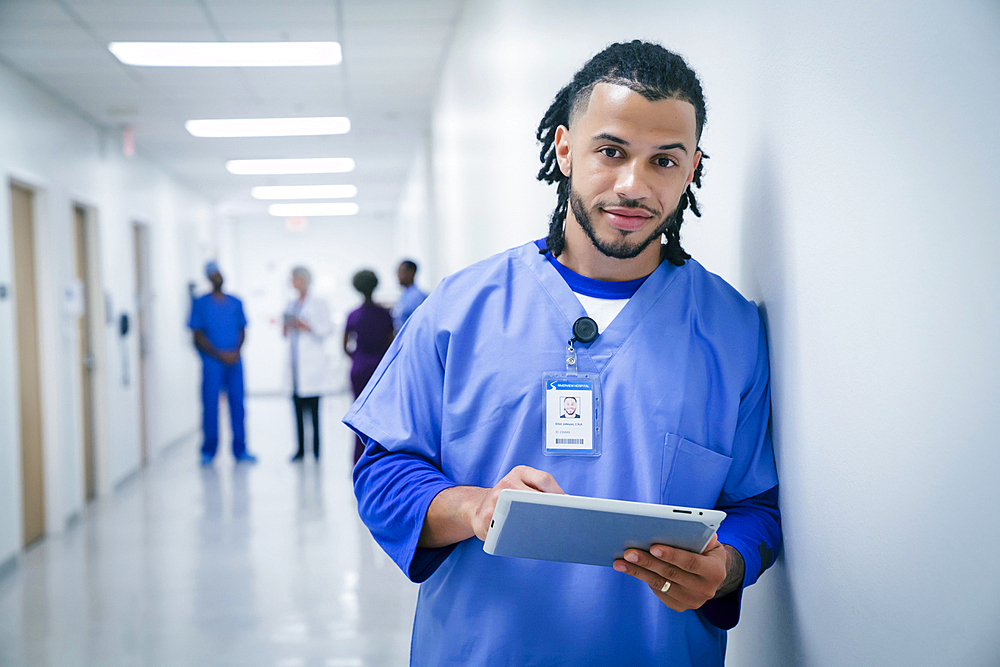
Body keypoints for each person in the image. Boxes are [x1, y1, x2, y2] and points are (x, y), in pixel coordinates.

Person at [344, 41, 781, 665]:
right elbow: (381, 472)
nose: (634, 185)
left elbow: (758, 503)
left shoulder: (731, 329)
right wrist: (474, 507)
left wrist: (728, 565)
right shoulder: (461, 309)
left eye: (664, 161)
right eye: (611, 151)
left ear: (691, 170)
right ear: (565, 149)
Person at [189, 261, 257, 465]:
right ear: (208, 278)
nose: (217, 277)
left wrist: (235, 352)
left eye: (219, 273)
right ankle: (209, 450)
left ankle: (240, 449)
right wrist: (220, 354)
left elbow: (242, 328)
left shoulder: (236, 302)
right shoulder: (200, 303)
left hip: (235, 361)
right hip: (212, 363)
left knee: (238, 405)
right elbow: (197, 335)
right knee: (210, 405)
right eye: (213, 274)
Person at [343, 270, 394, 464]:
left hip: (359, 370)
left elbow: (345, 346)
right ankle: (381, 461)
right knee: (382, 415)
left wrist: (358, 358)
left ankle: (359, 459)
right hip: (380, 370)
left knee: (359, 416)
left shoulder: (353, 315)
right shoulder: (385, 315)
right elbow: (392, 344)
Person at [283, 266, 333, 461]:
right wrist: (286, 327)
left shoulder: (319, 302)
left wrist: (308, 326)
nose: (293, 283)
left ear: (304, 280)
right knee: (296, 412)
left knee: (314, 412)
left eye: (295, 279)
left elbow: (327, 329)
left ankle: (317, 450)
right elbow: (288, 333)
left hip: (311, 366)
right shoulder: (291, 304)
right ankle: (301, 450)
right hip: (295, 366)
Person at [391, 259, 427, 331]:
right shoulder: (404, 295)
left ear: (411, 273)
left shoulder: (418, 296)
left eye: (401, 271)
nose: (398, 275)